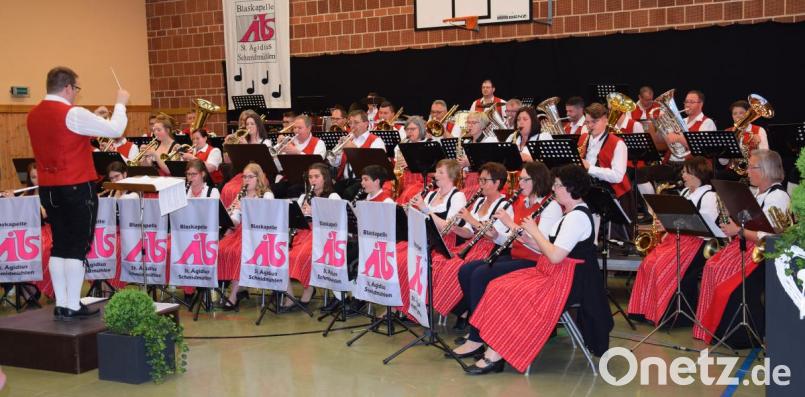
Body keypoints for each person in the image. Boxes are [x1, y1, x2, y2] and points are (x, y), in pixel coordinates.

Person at [466, 164, 613, 374]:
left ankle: (496, 353)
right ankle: (495, 347)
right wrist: (529, 239)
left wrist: (534, 232)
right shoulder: (570, 214)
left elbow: (554, 255)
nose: (554, 189)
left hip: (567, 281)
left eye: (558, 185)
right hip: (557, 273)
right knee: (498, 285)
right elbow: (552, 249)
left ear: (571, 188)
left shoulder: (577, 217)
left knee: (506, 290)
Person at [27, 66, 129, 320]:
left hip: (49, 188)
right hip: (75, 187)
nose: (75, 94)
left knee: (59, 244)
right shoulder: (72, 113)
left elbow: (63, 135)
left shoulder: (33, 114)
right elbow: (116, 129)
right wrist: (121, 103)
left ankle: (63, 302)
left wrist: (92, 117)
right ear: (68, 87)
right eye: (76, 90)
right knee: (77, 247)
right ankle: (73, 304)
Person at [450, 161, 562, 358]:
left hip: (535, 262)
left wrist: (509, 223)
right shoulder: (524, 203)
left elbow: (540, 245)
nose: (520, 184)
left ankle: (477, 338)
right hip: (516, 254)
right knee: (466, 270)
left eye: (524, 180)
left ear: (537, 180)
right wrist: (496, 236)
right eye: (520, 180)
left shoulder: (550, 207)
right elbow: (512, 240)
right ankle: (481, 327)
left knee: (479, 275)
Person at [695, 149, 788, 348]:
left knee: (725, 284)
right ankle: (716, 329)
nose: (747, 172)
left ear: (764, 171)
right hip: (748, 250)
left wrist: (738, 231)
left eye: (751, 167)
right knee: (712, 266)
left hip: (764, 257)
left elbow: (771, 237)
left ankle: (741, 335)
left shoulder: (778, 197)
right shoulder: (758, 193)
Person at [628, 157, 720, 325]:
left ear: (696, 174)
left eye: (685, 172)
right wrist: (665, 223)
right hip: (676, 239)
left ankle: (668, 315)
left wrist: (673, 223)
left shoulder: (709, 196)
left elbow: (706, 227)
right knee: (648, 263)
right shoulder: (685, 193)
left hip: (696, 243)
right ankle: (644, 311)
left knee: (661, 266)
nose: (682, 175)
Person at [431, 162, 514, 329]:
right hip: (471, 244)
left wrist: (471, 219)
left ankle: (465, 310)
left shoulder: (505, 206)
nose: (480, 184)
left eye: (484, 181)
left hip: (487, 248)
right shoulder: (478, 202)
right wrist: (453, 227)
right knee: (441, 261)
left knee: (454, 267)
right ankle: (459, 309)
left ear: (497, 183)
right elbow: (468, 233)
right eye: (480, 180)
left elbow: (493, 236)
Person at [217, 163, 275, 310]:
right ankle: (240, 288)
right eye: (244, 177)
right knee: (221, 248)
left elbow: (266, 221)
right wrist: (229, 216)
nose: (246, 180)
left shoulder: (266, 195)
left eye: (250, 177)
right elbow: (236, 222)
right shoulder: (240, 195)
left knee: (239, 252)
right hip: (240, 232)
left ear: (258, 178)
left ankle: (234, 295)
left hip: (259, 236)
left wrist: (246, 209)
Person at [285, 163, 341, 309]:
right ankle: (289, 296)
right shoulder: (304, 196)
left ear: (325, 179)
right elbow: (293, 218)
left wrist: (315, 212)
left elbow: (337, 221)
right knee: (278, 255)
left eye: (317, 176)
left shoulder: (332, 196)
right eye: (310, 177)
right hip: (302, 234)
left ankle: (308, 289)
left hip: (322, 236)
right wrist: (299, 215)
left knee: (302, 256)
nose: (313, 180)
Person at [579, 102, 635, 240]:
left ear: (605, 120)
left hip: (612, 191)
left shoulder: (618, 143)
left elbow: (617, 176)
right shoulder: (582, 139)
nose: (590, 126)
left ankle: (593, 240)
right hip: (590, 187)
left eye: (594, 122)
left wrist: (590, 168)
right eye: (587, 122)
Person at [330, 110, 385, 199]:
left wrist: (354, 149)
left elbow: (375, 167)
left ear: (366, 123)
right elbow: (335, 164)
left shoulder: (376, 141)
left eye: (356, 123)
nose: (352, 126)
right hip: (346, 180)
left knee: (348, 193)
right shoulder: (349, 139)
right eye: (350, 123)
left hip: (364, 181)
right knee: (332, 192)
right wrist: (338, 153)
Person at [717, 100, 769, 180]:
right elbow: (723, 162)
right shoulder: (727, 132)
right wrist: (727, 147)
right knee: (718, 176)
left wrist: (758, 144)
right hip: (733, 172)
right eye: (735, 113)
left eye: (741, 113)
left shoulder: (759, 130)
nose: (737, 116)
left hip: (753, 171)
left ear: (748, 114)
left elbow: (765, 158)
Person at [457, 112, 498, 199]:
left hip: (483, 181)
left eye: (473, 123)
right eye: (468, 122)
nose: (469, 125)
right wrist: (462, 168)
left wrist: (470, 162)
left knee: (461, 197)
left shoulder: (490, 140)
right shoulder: (467, 142)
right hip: (467, 179)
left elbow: (492, 164)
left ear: (483, 125)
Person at [392, 116, 429, 204]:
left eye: (413, 129)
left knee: (407, 195)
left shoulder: (429, 144)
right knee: (385, 189)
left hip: (422, 180)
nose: (409, 132)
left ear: (421, 129)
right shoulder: (401, 145)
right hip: (404, 178)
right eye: (407, 129)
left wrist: (410, 163)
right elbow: (397, 167)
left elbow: (431, 167)